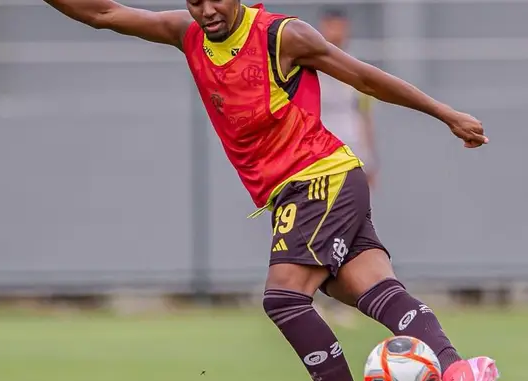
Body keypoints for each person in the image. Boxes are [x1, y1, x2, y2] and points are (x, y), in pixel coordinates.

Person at [41, 1, 498, 381]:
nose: (205, 11)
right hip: (302, 188)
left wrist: (446, 114)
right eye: (194, 1)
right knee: (366, 286)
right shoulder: (187, 33)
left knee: (284, 298)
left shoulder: (283, 36)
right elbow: (102, 13)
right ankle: (460, 369)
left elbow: (363, 77)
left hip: (319, 177)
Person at [317, 8, 379, 188]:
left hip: (351, 144)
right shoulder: (307, 67)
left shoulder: (358, 68)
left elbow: (365, 115)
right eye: (331, 27)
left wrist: (370, 159)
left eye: (340, 28)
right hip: (319, 146)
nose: (336, 33)